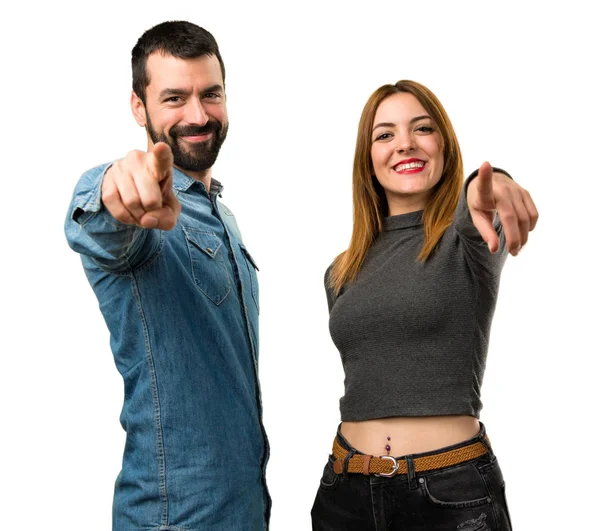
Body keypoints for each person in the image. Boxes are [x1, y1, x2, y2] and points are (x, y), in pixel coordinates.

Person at [64, 21, 270, 531]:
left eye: (211, 94)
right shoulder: (148, 210)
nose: (198, 115)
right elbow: (104, 219)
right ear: (140, 108)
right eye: (174, 98)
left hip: (244, 513)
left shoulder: (222, 216)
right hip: (174, 519)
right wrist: (114, 184)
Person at [311, 80, 537, 530]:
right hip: (345, 489)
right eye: (385, 134)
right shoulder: (341, 271)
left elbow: (482, 198)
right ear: (368, 157)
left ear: (444, 146)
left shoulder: (468, 237)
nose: (405, 144)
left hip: (449, 494)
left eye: (422, 129)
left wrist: (491, 183)